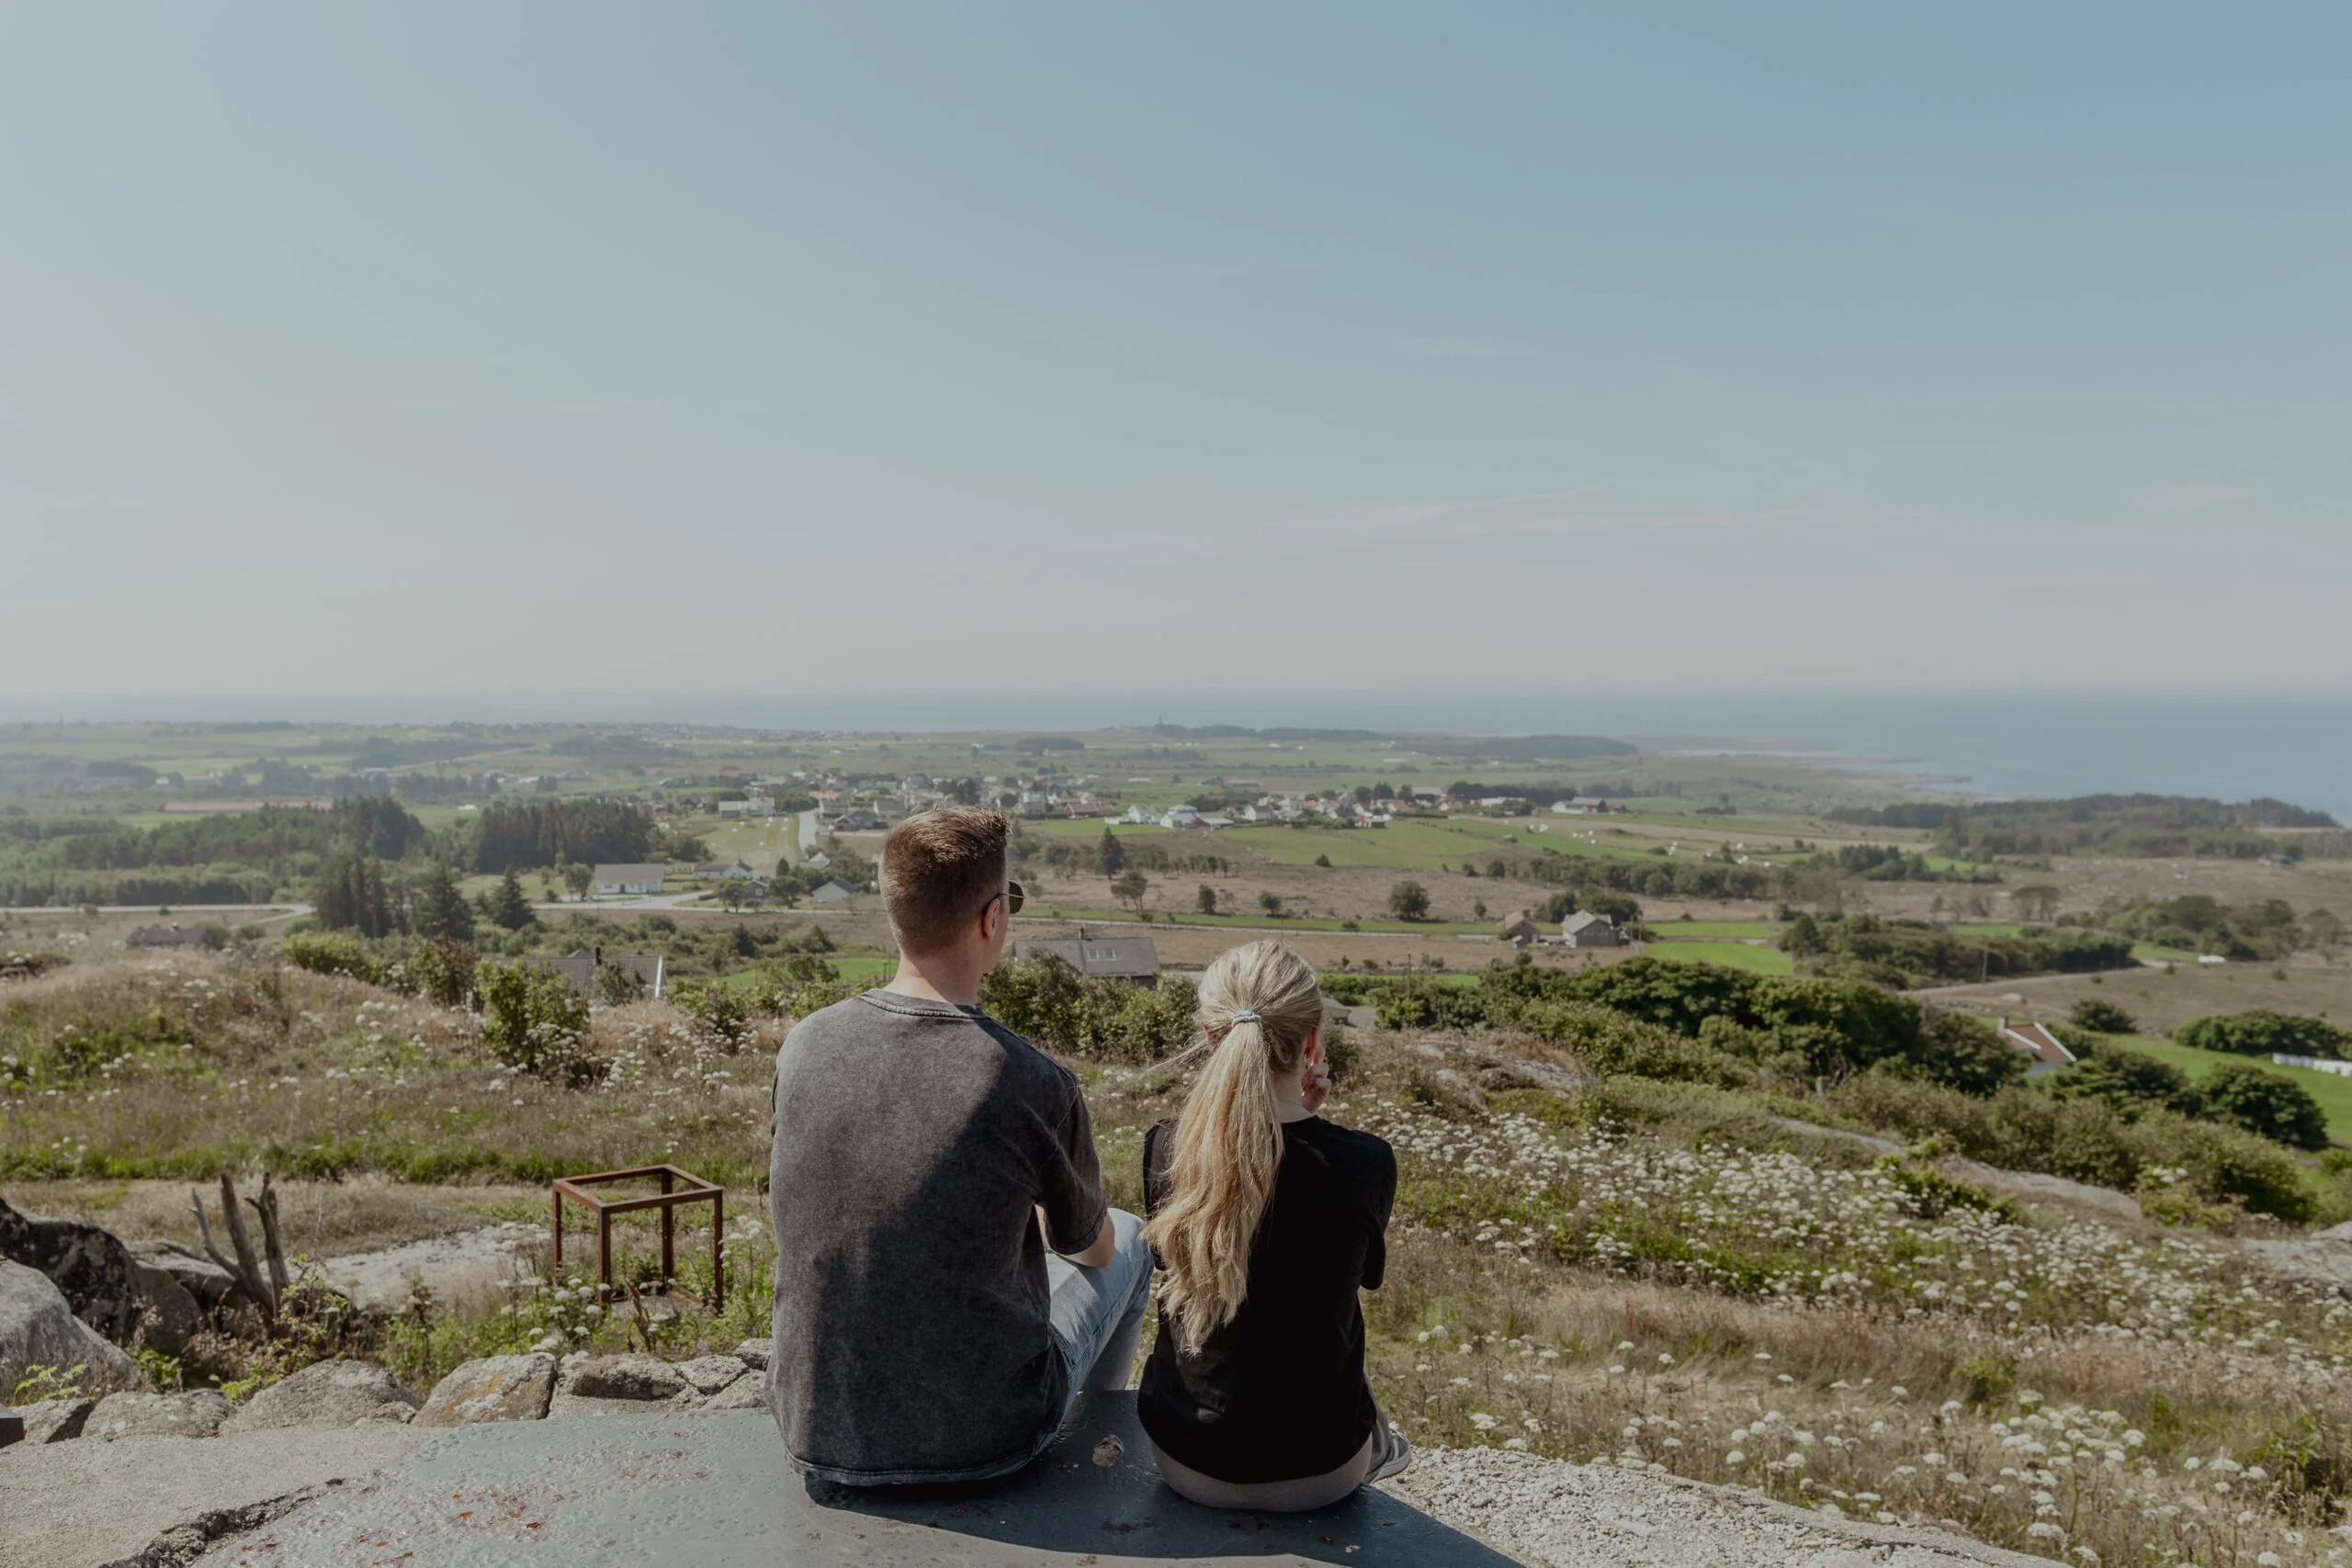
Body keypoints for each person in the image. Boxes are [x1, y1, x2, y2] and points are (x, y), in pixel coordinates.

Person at [766, 806, 1154, 1484]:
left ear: (897, 913)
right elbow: (1088, 1249)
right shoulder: (1029, 1078)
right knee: (1131, 1236)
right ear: (992, 917)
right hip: (989, 1437)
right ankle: (1093, 1442)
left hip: (814, 1425)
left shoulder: (804, 1046)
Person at [1138, 940, 1408, 1510]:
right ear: (1312, 1042)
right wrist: (1311, 1121)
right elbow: (1352, 1277)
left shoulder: (1167, 1148)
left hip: (1184, 1461)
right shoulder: (1365, 1162)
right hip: (1319, 1473)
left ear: (1212, 1037)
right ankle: (1383, 1446)